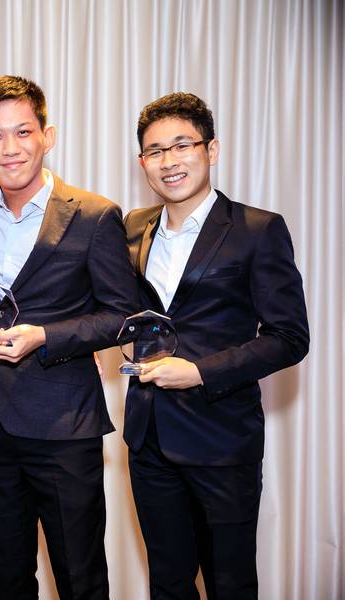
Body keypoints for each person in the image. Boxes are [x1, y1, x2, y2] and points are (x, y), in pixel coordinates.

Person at [124, 92, 309, 599]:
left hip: (222, 440)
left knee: (229, 584)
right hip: (149, 438)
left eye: (182, 145)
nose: (169, 160)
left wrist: (201, 371)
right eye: (155, 151)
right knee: (167, 582)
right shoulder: (133, 228)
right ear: (143, 163)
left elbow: (289, 337)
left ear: (212, 149)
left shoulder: (257, 230)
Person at [0, 75, 139, 599]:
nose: (10, 148)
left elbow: (121, 317)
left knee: (80, 577)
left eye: (22, 132)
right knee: (7, 577)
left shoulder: (94, 214)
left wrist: (45, 335)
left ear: (48, 135)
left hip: (64, 428)